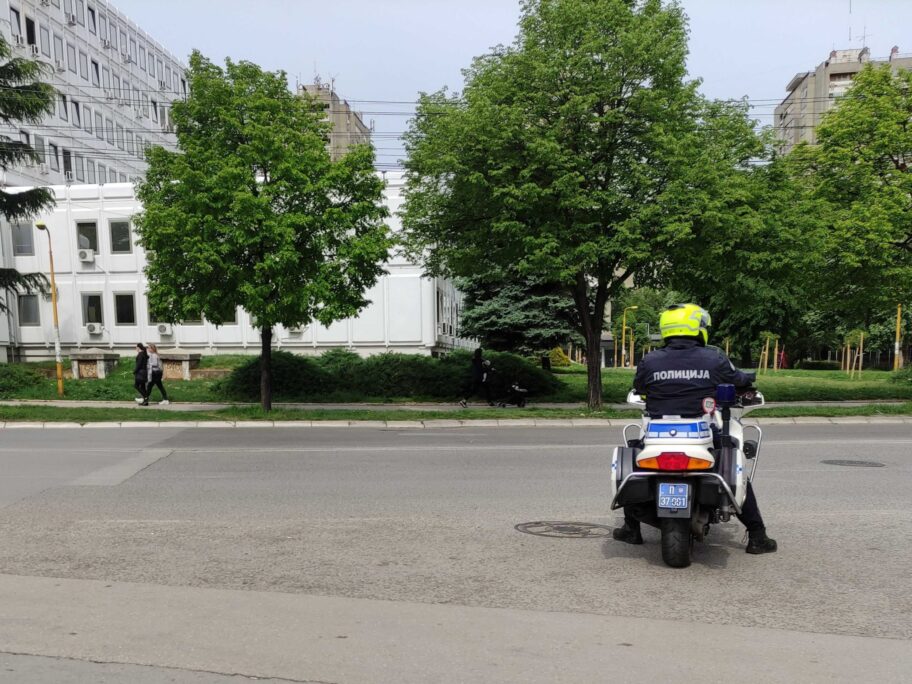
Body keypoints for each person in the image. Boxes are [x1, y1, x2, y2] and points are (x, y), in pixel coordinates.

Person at [613, 303, 777, 555]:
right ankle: (757, 536)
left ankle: (631, 528)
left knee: (635, 454)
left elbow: (639, 388)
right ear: (698, 327)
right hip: (702, 432)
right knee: (734, 462)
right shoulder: (715, 358)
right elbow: (741, 380)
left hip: (658, 432)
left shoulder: (650, 359)